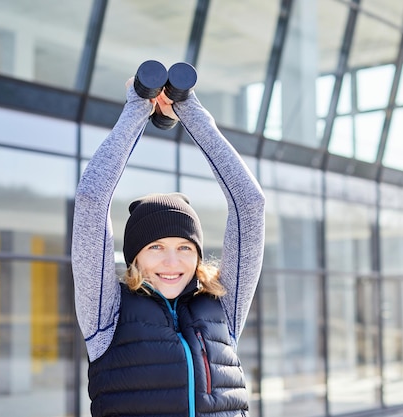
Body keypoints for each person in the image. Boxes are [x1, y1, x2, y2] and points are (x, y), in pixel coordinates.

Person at [71, 68, 265, 417]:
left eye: (185, 248)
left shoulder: (223, 306)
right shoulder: (106, 314)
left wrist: (189, 109)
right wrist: (137, 109)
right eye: (156, 248)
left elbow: (250, 204)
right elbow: (91, 200)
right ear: (135, 257)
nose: (172, 262)